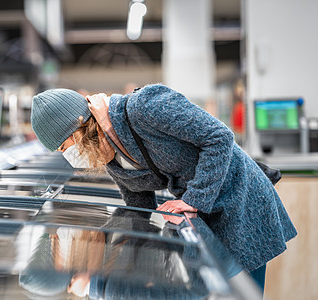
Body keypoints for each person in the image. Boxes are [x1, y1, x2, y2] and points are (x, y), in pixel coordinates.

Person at [30, 84, 297, 293]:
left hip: (242, 201)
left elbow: (219, 137)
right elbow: (138, 205)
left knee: (242, 289)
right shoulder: (108, 150)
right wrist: (117, 256)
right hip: (203, 215)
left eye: (65, 147)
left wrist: (194, 198)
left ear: (78, 126)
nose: (69, 156)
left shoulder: (144, 106)